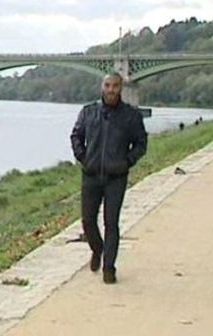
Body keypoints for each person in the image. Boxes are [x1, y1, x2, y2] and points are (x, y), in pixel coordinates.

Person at [70, 73, 148, 284]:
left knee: (110, 222)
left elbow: (141, 144)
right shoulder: (89, 112)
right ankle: (98, 249)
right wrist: (83, 158)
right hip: (91, 175)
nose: (111, 89)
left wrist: (127, 162)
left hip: (116, 177)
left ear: (121, 88)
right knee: (88, 222)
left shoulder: (131, 116)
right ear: (101, 87)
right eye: (107, 85)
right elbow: (76, 136)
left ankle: (109, 268)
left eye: (115, 86)